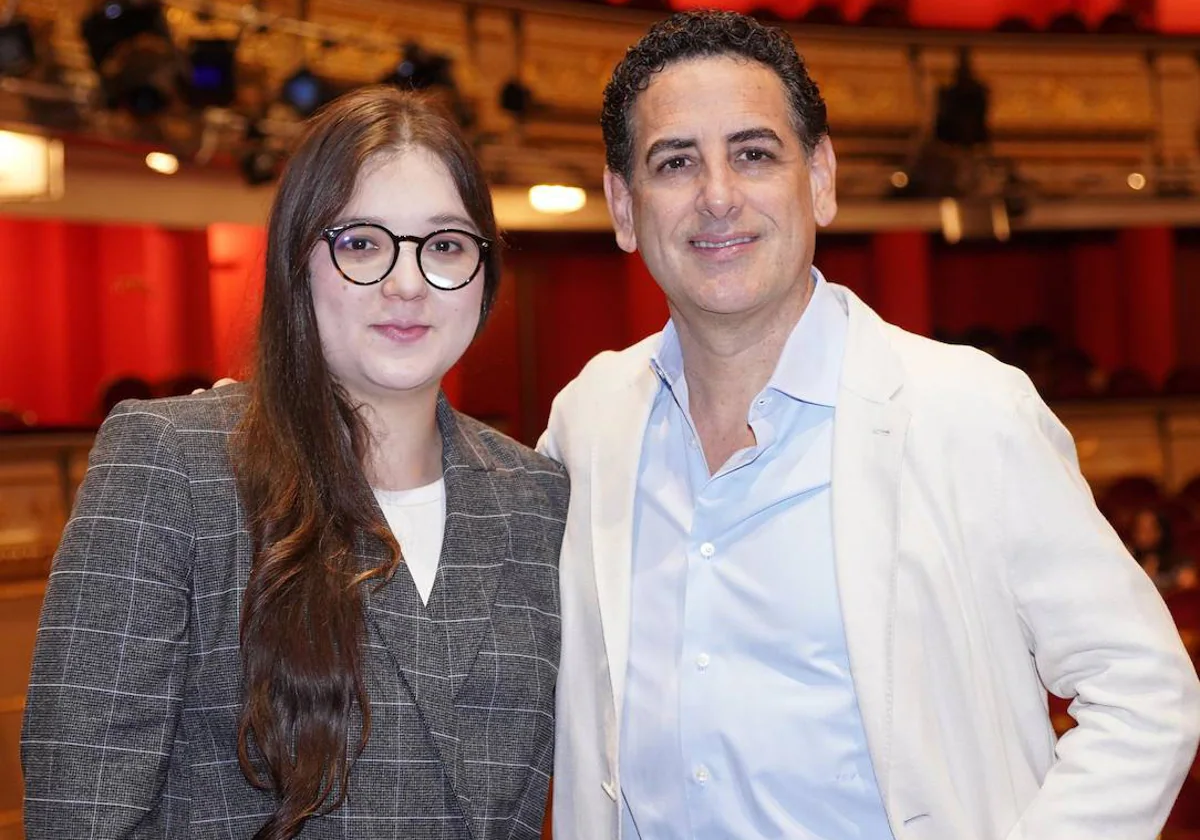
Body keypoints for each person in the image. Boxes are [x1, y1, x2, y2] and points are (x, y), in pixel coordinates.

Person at [539, 11, 1200, 840]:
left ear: (819, 177)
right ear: (624, 207)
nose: (717, 195)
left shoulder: (970, 411)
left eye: (754, 153)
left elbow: (1145, 692)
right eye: (675, 162)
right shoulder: (587, 421)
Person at [21, 86, 568, 840]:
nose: (407, 283)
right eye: (362, 243)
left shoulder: (538, 495)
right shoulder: (176, 467)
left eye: (445, 245)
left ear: (483, 275)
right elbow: (80, 810)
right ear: (298, 261)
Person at [1129, 506, 1200, 593]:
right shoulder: (1128, 558)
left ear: (1161, 531)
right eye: (1138, 529)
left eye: (1148, 529)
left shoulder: (1181, 561)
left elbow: (1188, 588)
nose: (1141, 534)